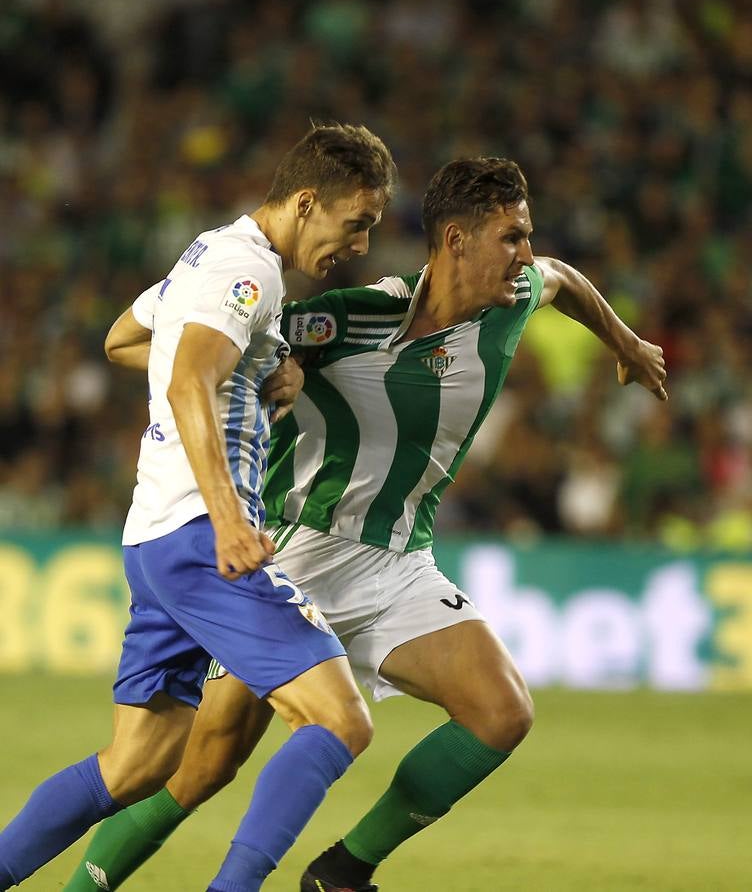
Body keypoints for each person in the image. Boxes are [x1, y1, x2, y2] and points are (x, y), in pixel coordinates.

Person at [63, 157, 667, 892]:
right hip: (297, 551)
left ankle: (342, 872)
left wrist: (626, 344)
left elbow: (565, 279)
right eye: (510, 238)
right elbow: (189, 340)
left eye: (525, 236)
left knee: (501, 711)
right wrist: (273, 370)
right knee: (203, 766)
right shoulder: (348, 317)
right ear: (456, 240)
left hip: (399, 561)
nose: (525, 254)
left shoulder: (515, 299)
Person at [0, 123, 397, 892]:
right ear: (307, 203)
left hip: (154, 539)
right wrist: (227, 517)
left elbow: (124, 340)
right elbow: (187, 380)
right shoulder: (246, 271)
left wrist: (257, 362)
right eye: (357, 223)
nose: (360, 245)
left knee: (136, 766)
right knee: (341, 720)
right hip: (198, 534)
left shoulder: (210, 257)